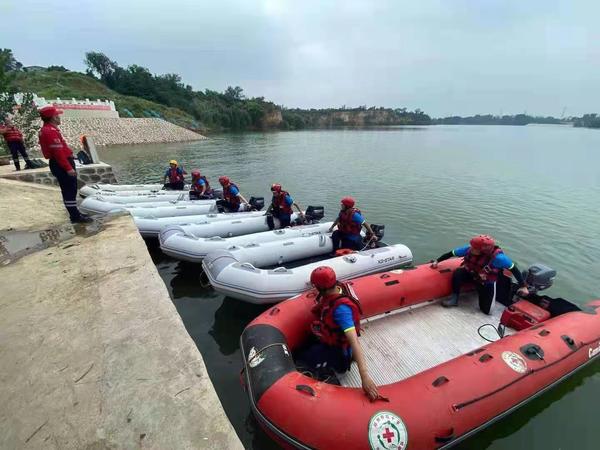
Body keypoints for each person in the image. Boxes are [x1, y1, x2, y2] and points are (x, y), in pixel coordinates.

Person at [298, 266, 379, 400]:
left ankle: (331, 372)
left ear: (321, 289)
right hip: (330, 339)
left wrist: (364, 376)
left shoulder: (341, 310)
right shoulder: (338, 290)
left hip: (339, 352)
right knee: (304, 347)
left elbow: (354, 342)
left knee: (303, 360)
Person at [430, 235, 529, 314]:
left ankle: (481, 293)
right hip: (472, 274)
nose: (471, 248)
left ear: (483, 250)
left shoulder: (500, 258)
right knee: (458, 272)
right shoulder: (469, 250)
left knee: (487, 311)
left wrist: (523, 286)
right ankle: (455, 298)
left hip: (486, 282)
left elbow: (514, 270)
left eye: (474, 247)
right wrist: (437, 261)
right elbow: (450, 253)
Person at [38, 106, 92, 223]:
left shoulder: (48, 130)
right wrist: (68, 168)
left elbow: (59, 150)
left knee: (70, 190)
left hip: (60, 162)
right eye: (57, 115)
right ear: (53, 117)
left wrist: (70, 155)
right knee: (69, 190)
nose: (59, 117)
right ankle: (75, 217)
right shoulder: (50, 132)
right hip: (61, 164)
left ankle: (75, 214)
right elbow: (57, 152)